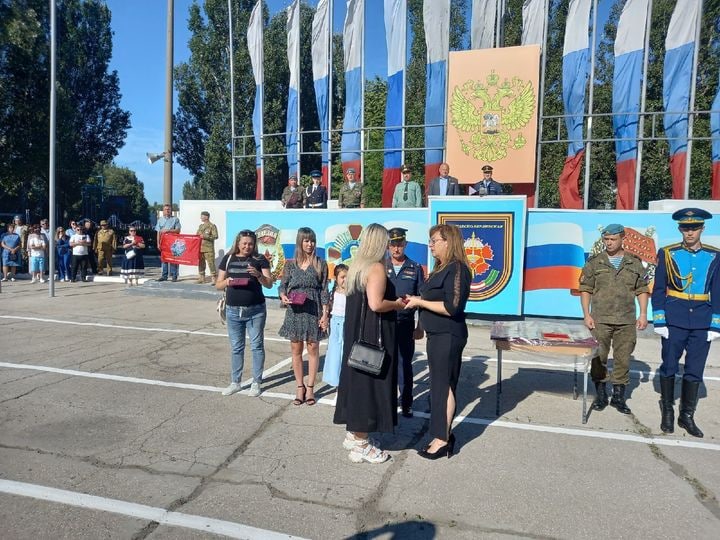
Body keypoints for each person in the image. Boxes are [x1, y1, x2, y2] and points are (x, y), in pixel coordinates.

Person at [334, 223, 405, 464]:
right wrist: (397, 304)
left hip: (358, 335)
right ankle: (361, 444)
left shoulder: (357, 267)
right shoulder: (375, 268)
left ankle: (354, 434)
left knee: (358, 383)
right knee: (369, 387)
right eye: (386, 241)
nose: (389, 246)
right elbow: (376, 304)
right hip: (373, 335)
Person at [404, 224, 471, 459]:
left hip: (448, 335)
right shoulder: (440, 268)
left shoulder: (458, 268)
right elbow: (430, 298)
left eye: (434, 241)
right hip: (436, 335)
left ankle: (442, 439)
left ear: (448, 242)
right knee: (439, 386)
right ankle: (440, 435)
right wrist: (419, 317)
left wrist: (419, 302)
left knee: (443, 387)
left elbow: (453, 307)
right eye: (430, 241)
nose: (430, 245)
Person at [652, 208, 720, 438]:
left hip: (702, 319)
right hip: (674, 318)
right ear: (680, 229)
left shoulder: (714, 255)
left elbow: (717, 291)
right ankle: (668, 411)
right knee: (669, 365)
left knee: (695, 370)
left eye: (694, 228)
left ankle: (687, 415)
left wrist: (716, 324)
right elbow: (659, 289)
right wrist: (659, 319)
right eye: (685, 228)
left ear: (702, 229)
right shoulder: (667, 253)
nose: (690, 232)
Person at [579, 224, 650, 415]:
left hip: (626, 320)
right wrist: (586, 314)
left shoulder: (634, 263)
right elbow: (585, 289)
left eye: (613, 239)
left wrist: (643, 314)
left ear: (622, 239)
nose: (609, 243)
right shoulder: (595, 262)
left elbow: (642, 289)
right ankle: (601, 395)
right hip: (600, 319)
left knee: (623, 359)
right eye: (606, 239)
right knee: (598, 357)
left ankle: (618, 397)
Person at [216, 229, 274, 397]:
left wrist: (258, 275)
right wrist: (227, 281)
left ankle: (256, 382)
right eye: (244, 243)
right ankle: (235, 382)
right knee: (236, 347)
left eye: (250, 244)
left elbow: (269, 283)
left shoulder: (260, 259)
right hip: (233, 311)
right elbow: (218, 284)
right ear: (238, 243)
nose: (247, 247)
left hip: (256, 310)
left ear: (254, 244)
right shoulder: (228, 259)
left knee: (256, 346)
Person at [279, 227, 330, 406]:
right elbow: (282, 285)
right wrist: (283, 295)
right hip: (294, 311)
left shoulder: (321, 263)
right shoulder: (290, 264)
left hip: (313, 309)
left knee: (313, 348)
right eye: (306, 241)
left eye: (312, 241)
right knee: (296, 350)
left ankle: (310, 388)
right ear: (300, 242)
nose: (310, 244)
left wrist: (325, 314)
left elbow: (325, 290)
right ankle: (299, 387)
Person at [385, 227, 425, 418]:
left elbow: (422, 300)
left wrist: (420, 326)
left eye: (400, 244)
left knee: (404, 365)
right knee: (385, 363)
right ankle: (387, 402)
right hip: (385, 323)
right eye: (393, 244)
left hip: (406, 323)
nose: (396, 248)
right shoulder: (381, 267)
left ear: (405, 244)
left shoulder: (415, 268)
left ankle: (407, 402)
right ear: (388, 246)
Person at [322, 264, 349, 388]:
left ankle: (345, 380)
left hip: (347, 322)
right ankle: (334, 379)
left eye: (347, 277)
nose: (345, 280)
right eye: (342, 277)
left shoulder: (351, 293)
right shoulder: (333, 293)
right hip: (335, 323)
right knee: (334, 351)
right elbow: (328, 308)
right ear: (336, 278)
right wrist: (325, 319)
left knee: (345, 351)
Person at [156, 204, 181, 282]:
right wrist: (158, 243)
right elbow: (158, 233)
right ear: (163, 211)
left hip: (173, 242)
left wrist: (168, 230)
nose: (167, 211)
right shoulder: (160, 220)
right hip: (163, 242)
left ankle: (174, 276)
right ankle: (164, 276)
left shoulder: (175, 219)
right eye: (165, 209)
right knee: (164, 259)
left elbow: (178, 230)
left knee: (173, 259)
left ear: (171, 211)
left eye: (168, 209)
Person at [196, 211, 218, 284]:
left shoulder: (212, 226)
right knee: (201, 264)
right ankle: (202, 278)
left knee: (211, 264)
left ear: (206, 217)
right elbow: (197, 234)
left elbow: (215, 236)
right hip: (200, 248)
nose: (200, 218)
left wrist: (205, 236)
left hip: (209, 249)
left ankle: (214, 278)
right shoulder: (201, 226)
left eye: (202, 216)